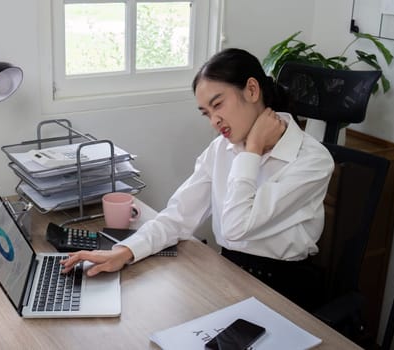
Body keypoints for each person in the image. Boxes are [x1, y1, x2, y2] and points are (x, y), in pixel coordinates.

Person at [61, 48, 334, 310]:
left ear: (252, 90)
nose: (214, 121)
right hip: (228, 274)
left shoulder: (312, 161)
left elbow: (234, 228)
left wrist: (252, 151)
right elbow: (179, 216)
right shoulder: (221, 149)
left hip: (283, 291)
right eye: (207, 113)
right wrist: (125, 252)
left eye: (218, 105)